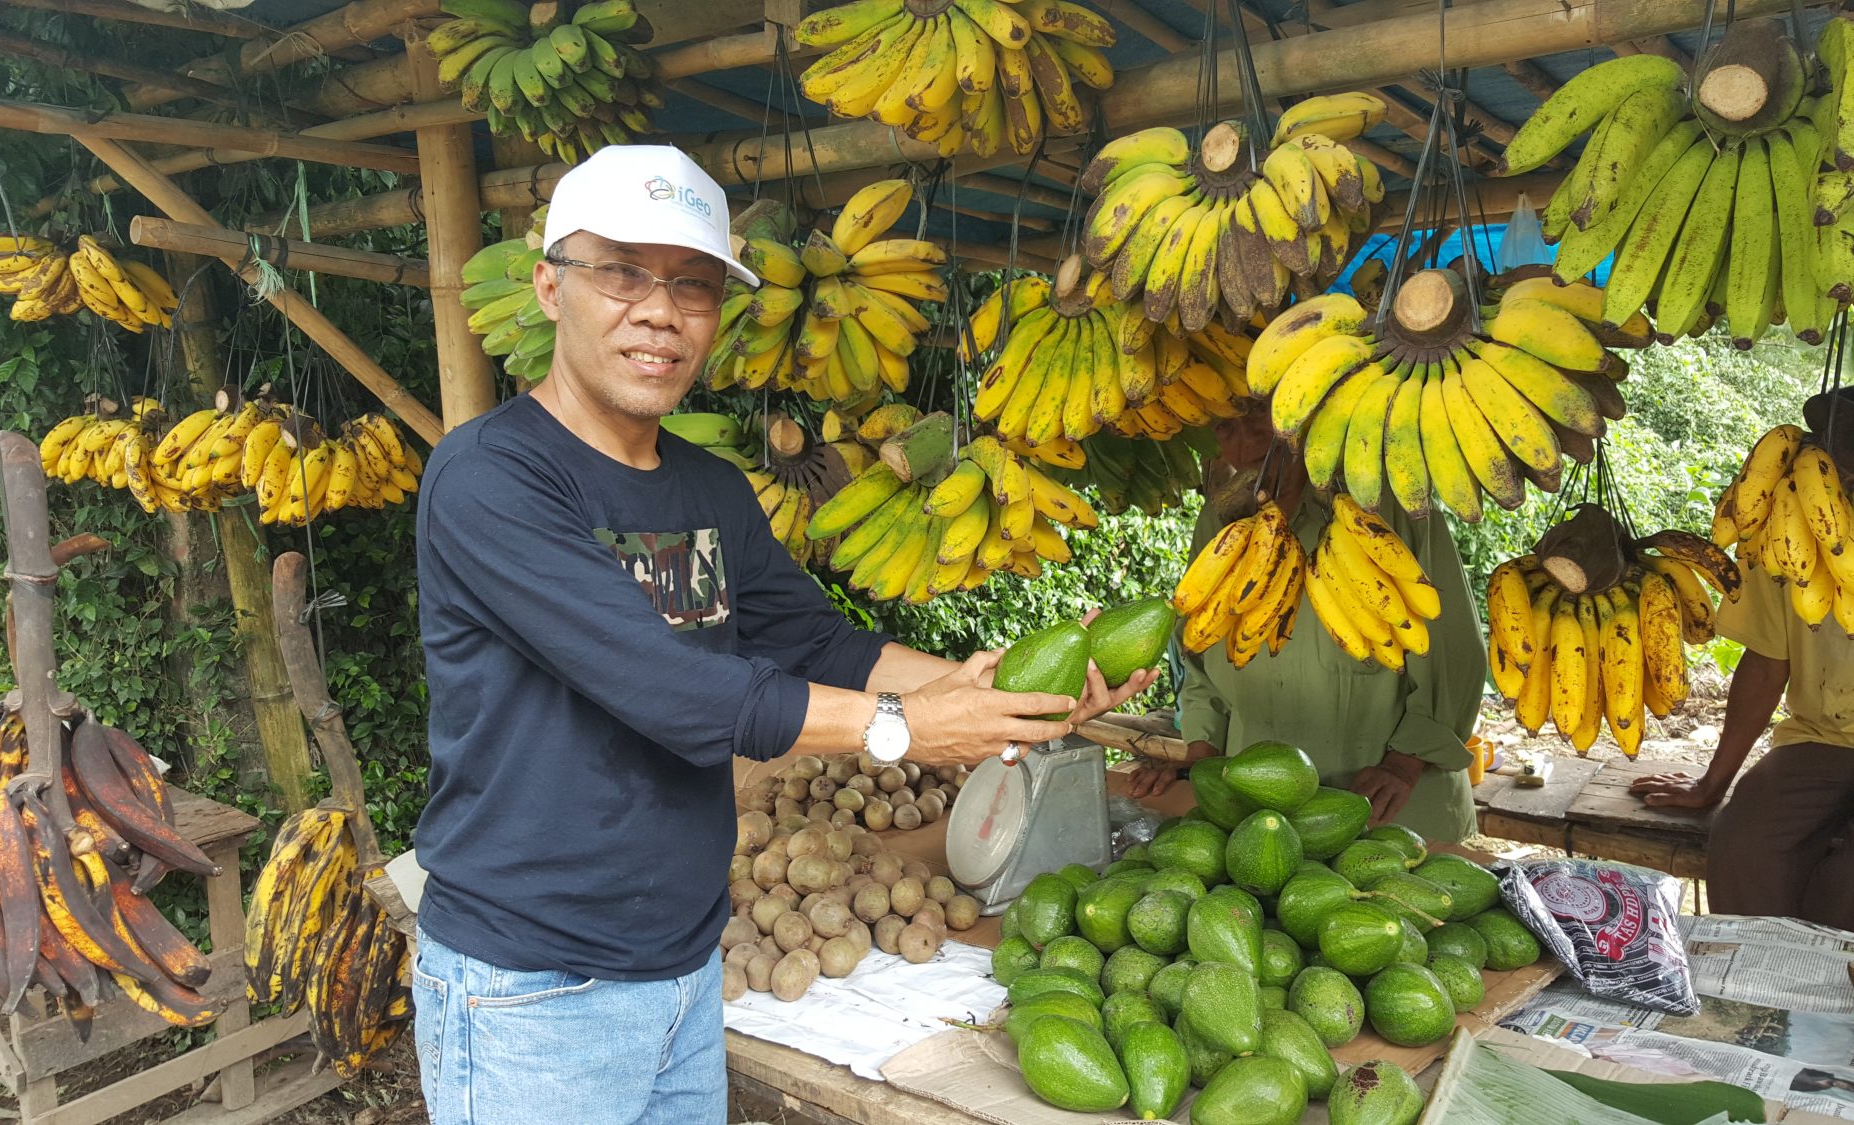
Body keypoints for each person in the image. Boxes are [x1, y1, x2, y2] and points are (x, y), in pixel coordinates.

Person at [409, 146, 1155, 1125]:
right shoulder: (492, 481)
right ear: (551, 287)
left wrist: (1005, 689)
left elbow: (817, 646)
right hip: (534, 990)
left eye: (692, 285)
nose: (658, 311)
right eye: (621, 272)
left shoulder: (708, 490)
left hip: (684, 970)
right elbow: (669, 687)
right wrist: (900, 729)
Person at [1630, 388, 1854, 943]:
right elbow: (1765, 663)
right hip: (1813, 743)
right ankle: (1762, 996)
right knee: (1743, 846)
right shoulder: (1784, 534)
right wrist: (1713, 783)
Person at [1128, 403, 1484, 842]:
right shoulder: (1221, 522)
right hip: (1260, 807)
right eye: (1225, 426)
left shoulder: (1384, 505)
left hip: (1390, 807)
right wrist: (1199, 759)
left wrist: (1405, 763)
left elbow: (1454, 647)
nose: (1249, 440)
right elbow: (1200, 650)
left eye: (1259, 416)